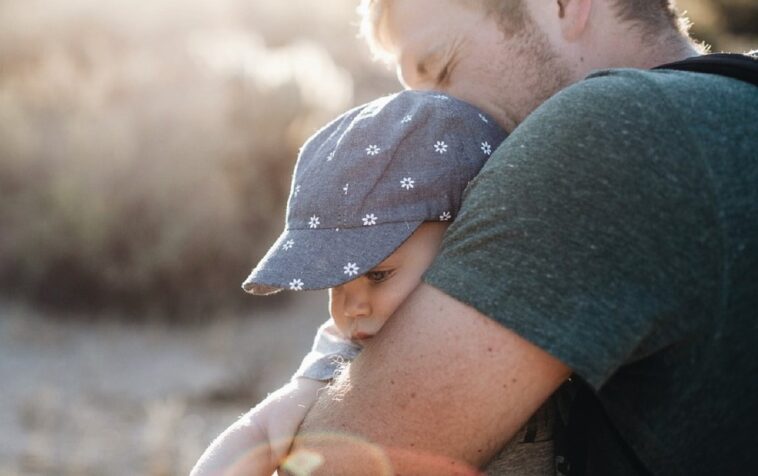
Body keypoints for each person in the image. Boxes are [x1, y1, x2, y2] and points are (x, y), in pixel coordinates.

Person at [281, 0, 758, 474]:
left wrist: (307, 387)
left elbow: (331, 466)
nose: (427, 117)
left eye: (442, 69)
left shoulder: (605, 130)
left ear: (565, 6)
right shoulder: (733, 103)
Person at [191, 91, 560, 476]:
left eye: (378, 275)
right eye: (335, 284)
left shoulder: (529, 310)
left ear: (464, 240)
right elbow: (260, 428)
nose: (351, 307)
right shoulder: (347, 352)